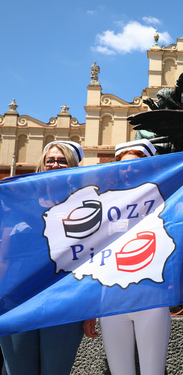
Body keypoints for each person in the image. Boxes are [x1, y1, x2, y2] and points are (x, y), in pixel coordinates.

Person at [0, 140, 97, 375]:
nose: (55, 164)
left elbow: (92, 259)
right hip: (16, 302)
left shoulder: (86, 205)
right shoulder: (16, 200)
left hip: (64, 302)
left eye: (62, 161)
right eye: (50, 160)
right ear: (42, 164)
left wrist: (90, 309)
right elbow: (4, 254)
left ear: (73, 167)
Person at [96, 139, 172, 375]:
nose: (127, 170)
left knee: (153, 371)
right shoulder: (103, 202)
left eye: (135, 165)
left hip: (151, 298)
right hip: (111, 301)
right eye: (123, 165)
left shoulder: (167, 198)